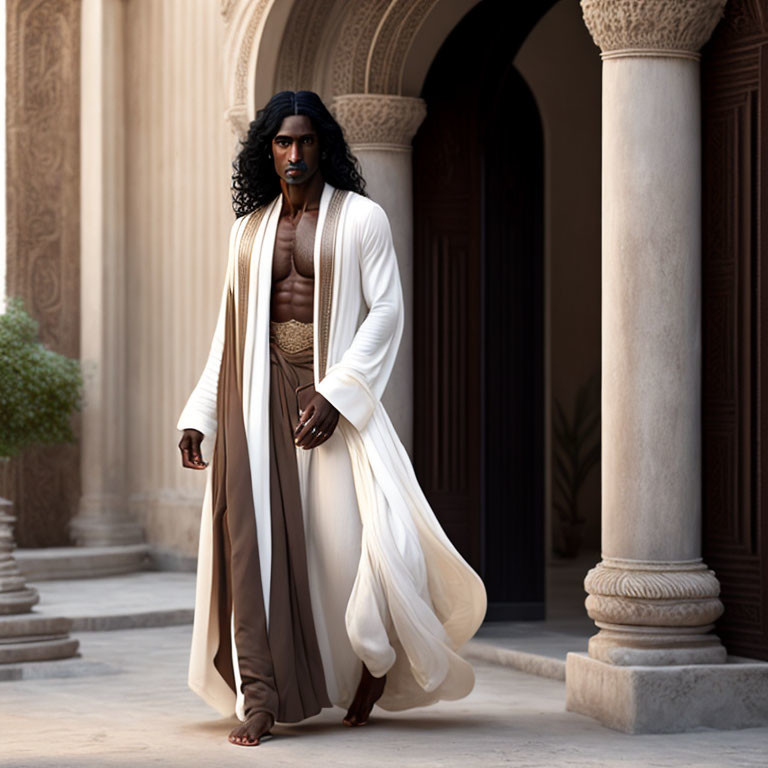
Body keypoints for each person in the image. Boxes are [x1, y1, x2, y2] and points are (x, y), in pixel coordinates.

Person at [177, 90, 486, 747]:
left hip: (331, 398)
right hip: (257, 395)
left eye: (306, 141)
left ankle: (372, 665)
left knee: (354, 546)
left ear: (325, 146)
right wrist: (200, 412)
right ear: (267, 151)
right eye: (282, 143)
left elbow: (388, 311)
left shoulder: (363, 219)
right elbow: (228, 333)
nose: (294, 154)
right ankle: (261, 696)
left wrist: (339, 392)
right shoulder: (248, 230)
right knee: (250, 547)